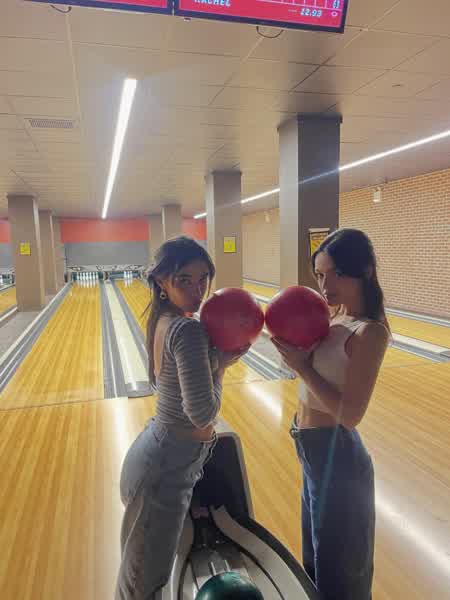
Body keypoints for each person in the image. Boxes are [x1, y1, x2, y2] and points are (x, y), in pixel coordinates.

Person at [115, 236, 248, 599]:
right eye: (184, 280)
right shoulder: (188, 329)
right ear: (162, 281)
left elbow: (175, 383)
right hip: (166, 468)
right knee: (143, 585)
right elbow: (202, 413)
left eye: (203, 278)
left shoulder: (163, 320)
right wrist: (221, 369)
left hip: (158, 455)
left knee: (140, 575)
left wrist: (216, 361)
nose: (197, 290)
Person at [271, 228, 390, 600]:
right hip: (311, 449)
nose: (325, 285)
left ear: (364, 270)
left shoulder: (370, 332)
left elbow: (351, 414)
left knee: (340, 577)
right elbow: (316, 378)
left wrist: (302, 367)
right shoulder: (333, 318)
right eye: (320, 275)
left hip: (338, 458)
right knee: (316, 563)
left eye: (335, 273)